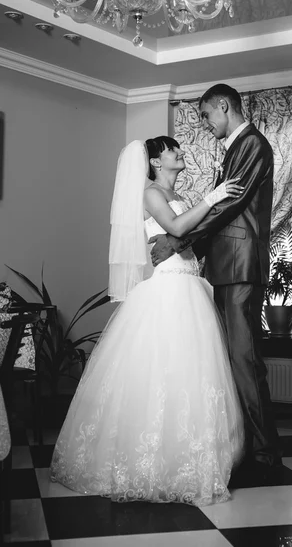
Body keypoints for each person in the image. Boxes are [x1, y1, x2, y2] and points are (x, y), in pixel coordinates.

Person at [49, 136, 245, 506]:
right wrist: (214, 196)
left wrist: (209, 207)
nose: (180, 152)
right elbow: (177, 228)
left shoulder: (178, 194)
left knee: (190, 375)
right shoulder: (151, 193)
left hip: (190, 284)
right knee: (161, 374)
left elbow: (191, 236)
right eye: (172, 150)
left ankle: (190, 459)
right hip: (168, 290)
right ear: (155, 161)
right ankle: (153, 462)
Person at [149, 85, 282, 482]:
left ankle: (264, 457)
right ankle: (247, 449)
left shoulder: (253, 144)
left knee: (243, 361)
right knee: (231, 362)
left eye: (207, 115)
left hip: (240, 267)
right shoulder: (236, 147)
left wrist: (178, 240)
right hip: (226, 267)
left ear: (224, 106)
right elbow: (222, 210)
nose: (206, 125)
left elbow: (228, 205)